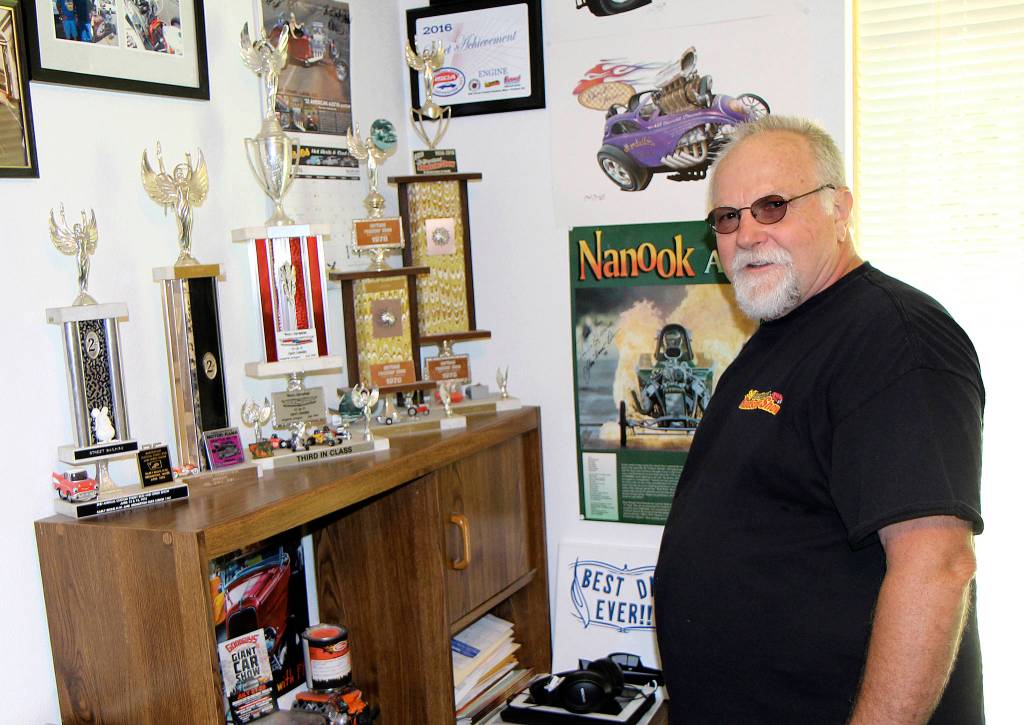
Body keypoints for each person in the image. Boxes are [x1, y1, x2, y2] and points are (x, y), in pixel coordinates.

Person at [653, 115, 984, 724]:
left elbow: (937, 565)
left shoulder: (894, 337)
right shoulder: (781, 335)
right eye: (727, 217)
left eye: (772, 206)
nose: (746, 233)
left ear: (841, 209)